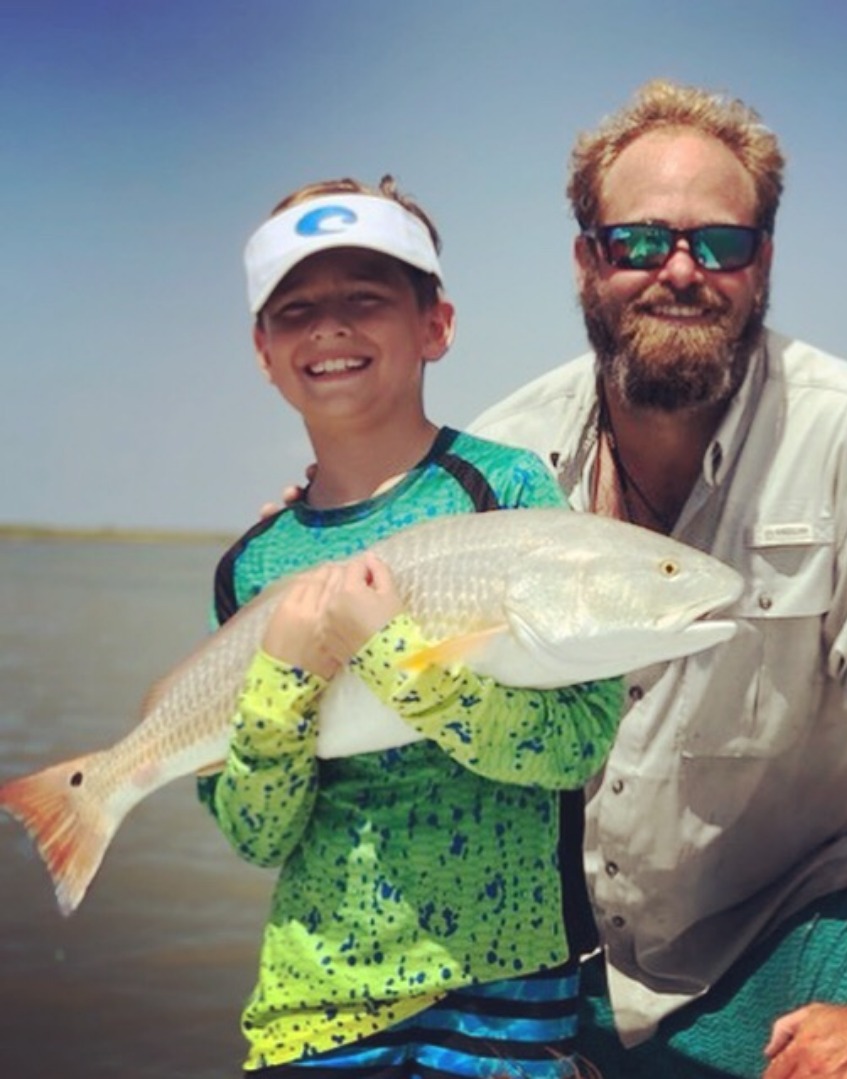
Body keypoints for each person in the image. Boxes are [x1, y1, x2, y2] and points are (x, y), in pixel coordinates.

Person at [468, 79, 847, 1079]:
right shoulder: (498, 455)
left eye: (721, 243)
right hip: (562, 926)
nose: (681, 270)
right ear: (588, 258)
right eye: (640, 242)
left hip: (790, 912)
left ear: (763, 265)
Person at [200, 176, 623, 1076]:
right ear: (262, 350)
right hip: (311, 1011)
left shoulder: (504, 493)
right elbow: (256, 834)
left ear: (436, 325)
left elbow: (574, 746)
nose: (330, 328)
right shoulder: (250, 565)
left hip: (506, 994)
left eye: (366, 299)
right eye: (296, 309)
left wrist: (393, 651)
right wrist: (282, 680)